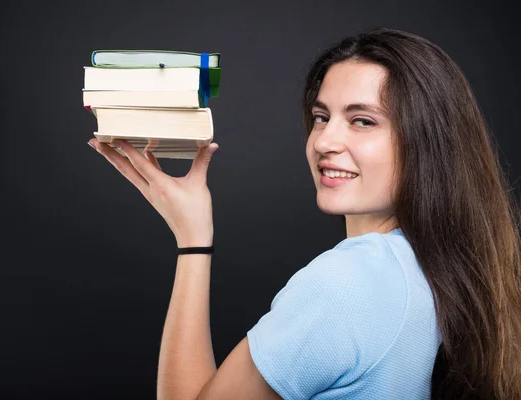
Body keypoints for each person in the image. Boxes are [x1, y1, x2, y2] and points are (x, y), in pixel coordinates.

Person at [87, 28, 521, 399]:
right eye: (320, 116)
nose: (324, 141)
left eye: (363, 121)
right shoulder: (430, 264)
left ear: (429, 143)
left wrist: (192, 239)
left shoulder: (350, 281)